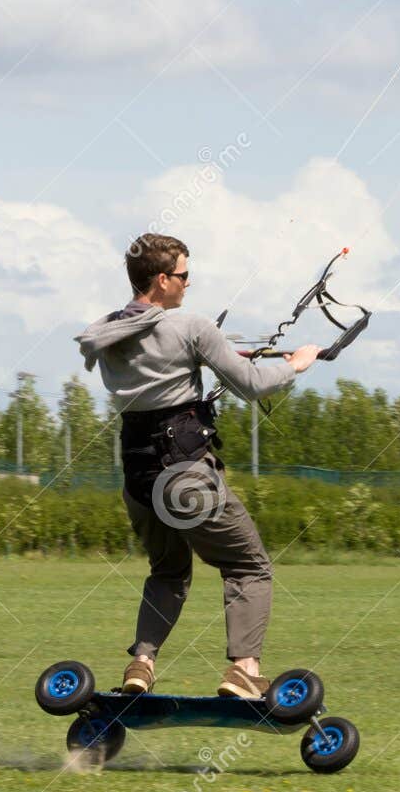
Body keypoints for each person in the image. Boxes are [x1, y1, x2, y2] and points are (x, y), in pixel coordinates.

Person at [76, 233, 321, 699]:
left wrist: (218, 355)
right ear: (163, 279)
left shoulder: (104, 334)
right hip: (186, 477)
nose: (190, 283)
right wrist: (297, 365)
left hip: (138, 482)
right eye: (185, 275)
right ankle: (244, 671)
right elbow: (250, 385)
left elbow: (159, 361)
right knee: (249, 566)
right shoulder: (191, 327)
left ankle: (141, 664)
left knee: (168, 572)